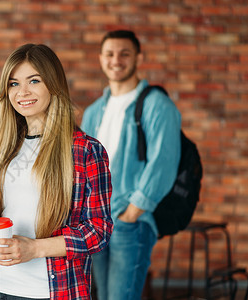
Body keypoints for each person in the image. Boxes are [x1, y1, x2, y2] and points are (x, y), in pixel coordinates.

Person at [0, 43, 113, 300]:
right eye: (14, 83)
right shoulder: (3, 146)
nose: (23, 92)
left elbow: (99, 231)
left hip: (49, 291)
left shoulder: (85, 150)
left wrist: (35, 248)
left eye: (34, 80)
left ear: (53, 84)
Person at [81, 30, 182, 300]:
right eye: (110, 54)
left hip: (130, 222)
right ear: (101, 59)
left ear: (139, 57)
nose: (116, 60)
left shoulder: (156, 105)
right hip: (96, 221)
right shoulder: (93, 111)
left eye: (124, 53)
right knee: (103, 296)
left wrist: (132, 213)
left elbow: (163, 162)